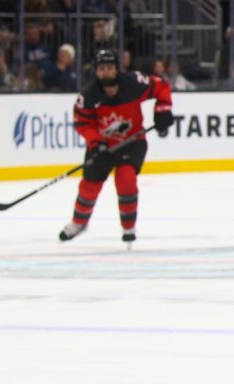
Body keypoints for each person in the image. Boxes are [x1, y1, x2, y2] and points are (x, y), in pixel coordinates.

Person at [59, 49, 174, 246]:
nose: (106, 72)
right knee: (89, 186)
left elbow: (162, 87)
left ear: (116, 69)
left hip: (132, 142)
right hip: (103, 147)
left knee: (126, 178)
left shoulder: (134, 83)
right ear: (96, 71)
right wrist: (96, 143)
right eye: (102, 69)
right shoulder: (87, 96)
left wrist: (163, 111)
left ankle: (128, 226)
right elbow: (83, 124)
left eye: (110, 68)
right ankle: (79, 223)